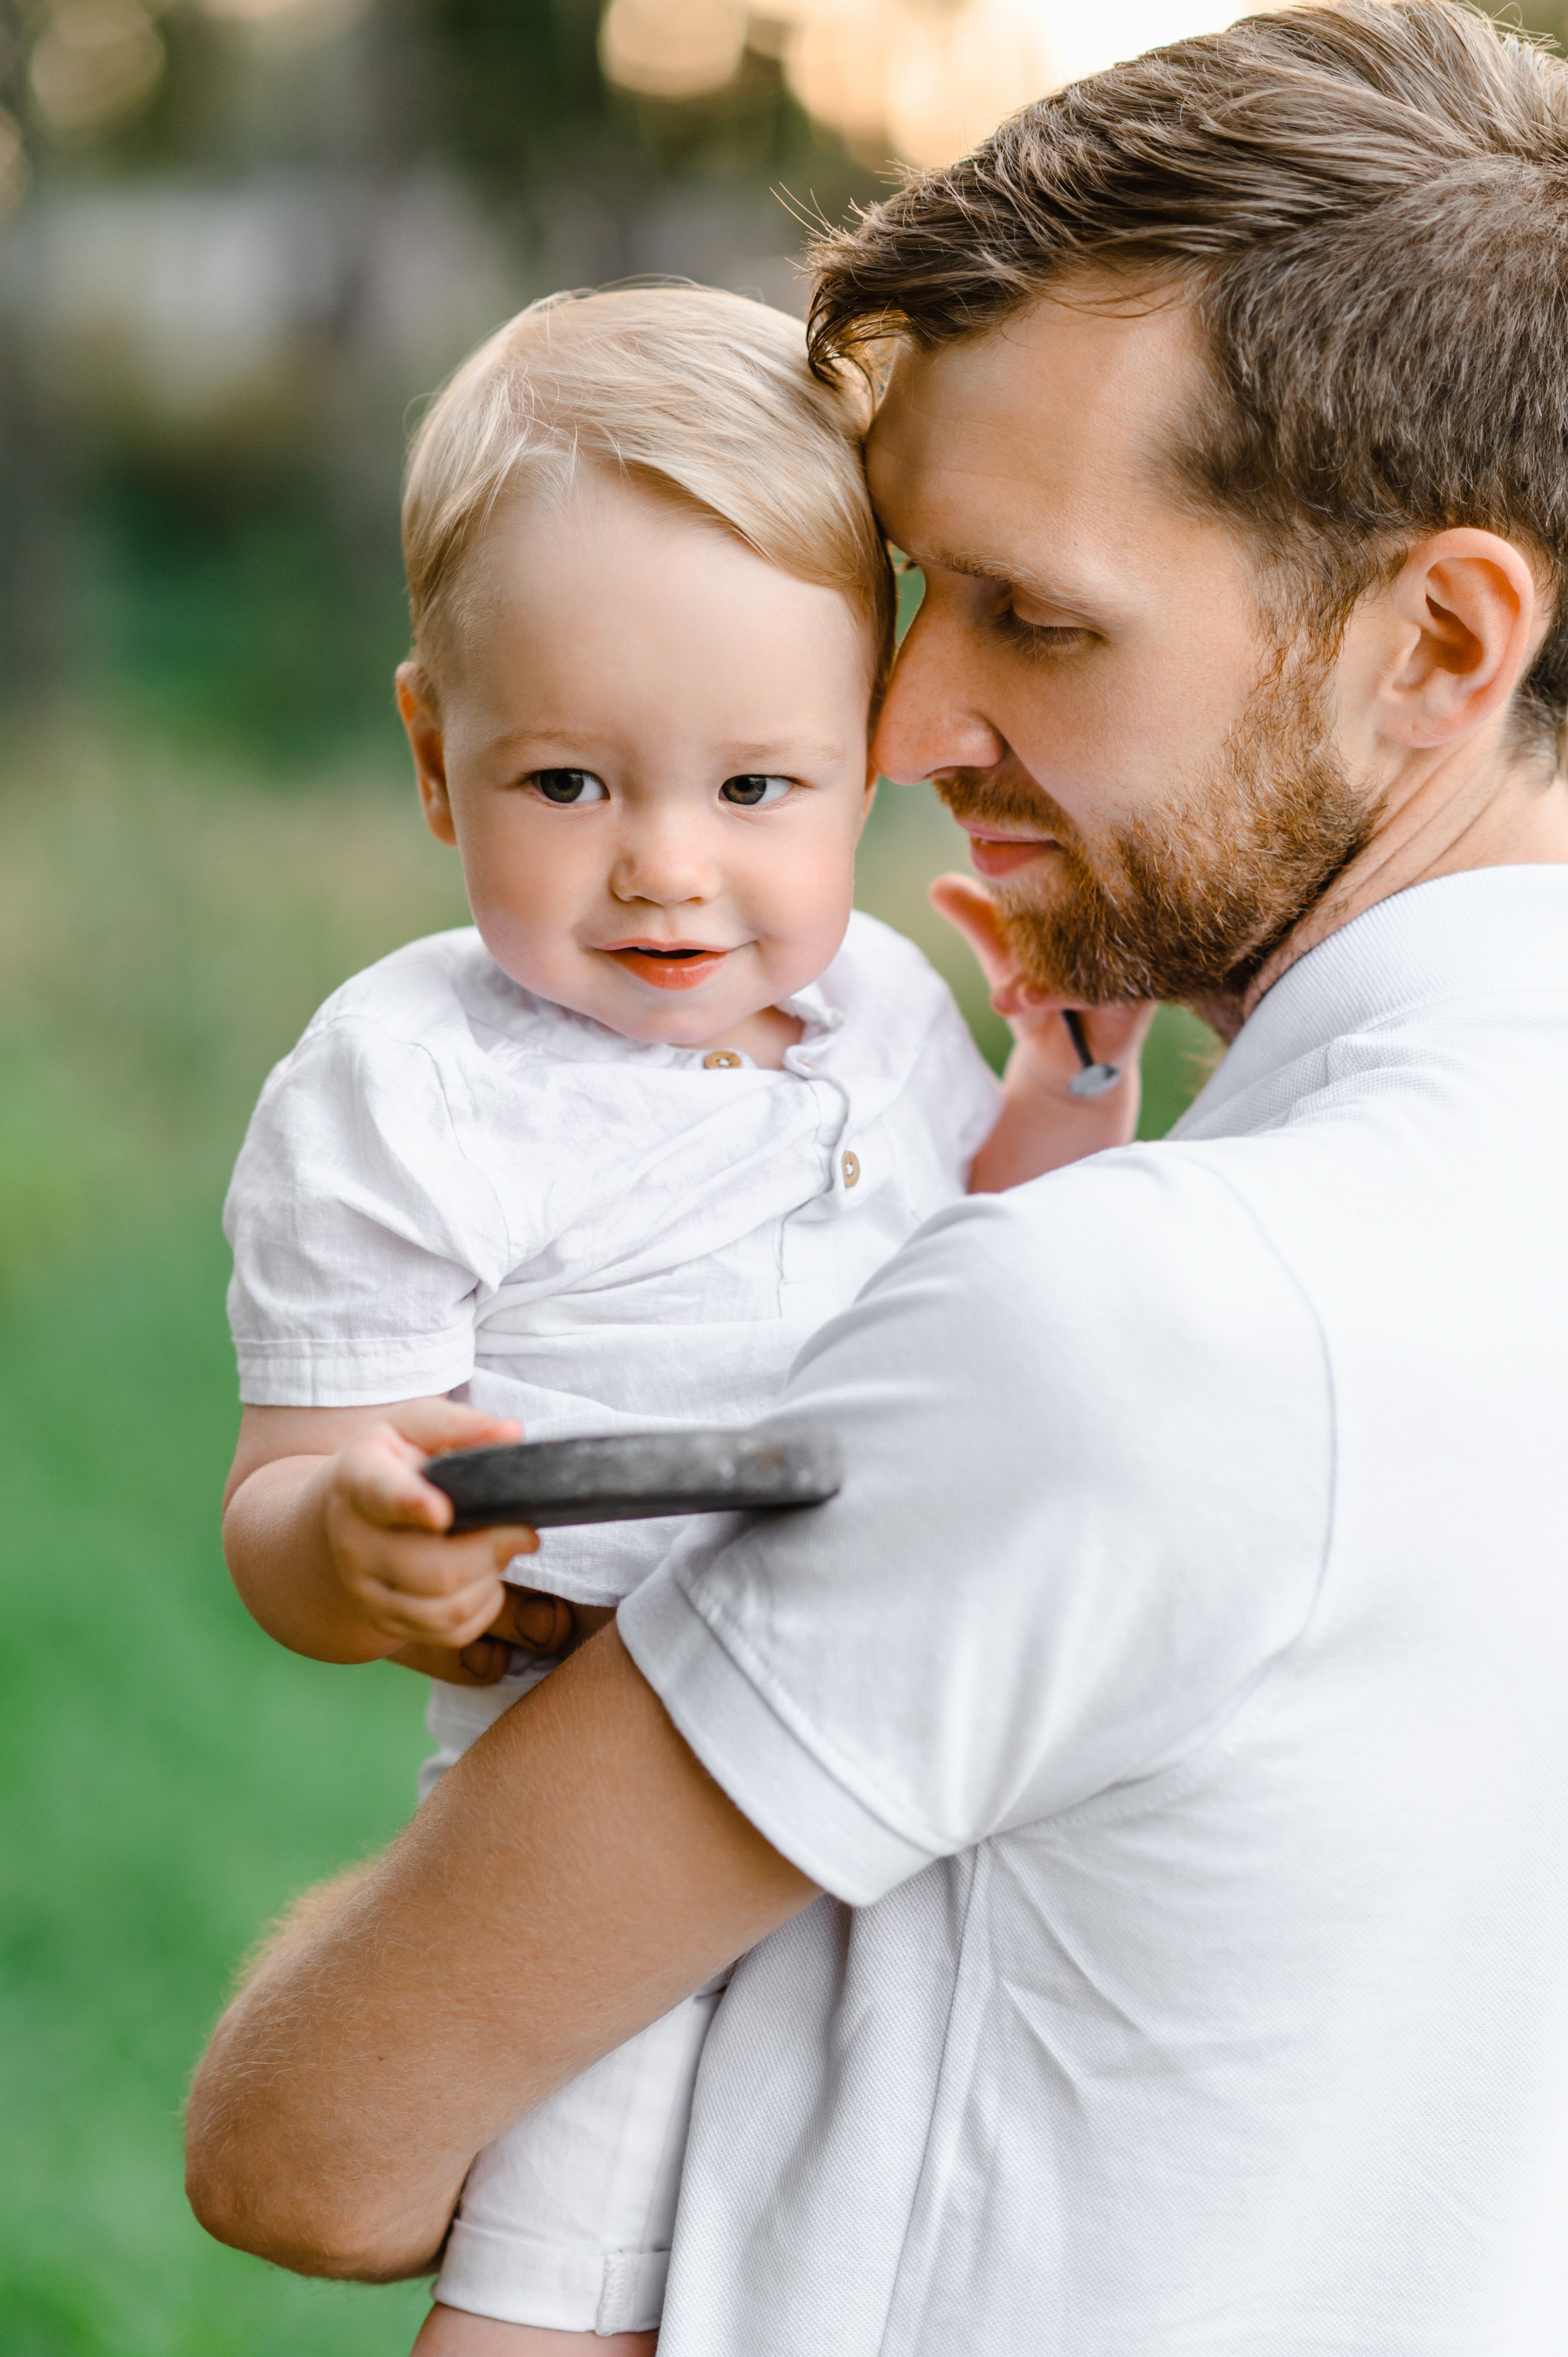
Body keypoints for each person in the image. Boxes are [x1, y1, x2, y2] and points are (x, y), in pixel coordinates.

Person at [187, 4, 1568, 2348]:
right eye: (917, 601)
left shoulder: (1157, 1324)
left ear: (1438, 642)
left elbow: (309, 2149)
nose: (910, 729)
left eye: (1037, 615)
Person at [216, 285, 1142, 2355]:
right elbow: (282, 1499)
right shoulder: (406, 1089)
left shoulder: (892, 1016)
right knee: (572, 2265)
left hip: (917, 1729)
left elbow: (1004, 1284)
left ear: (866, 763)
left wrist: (1065, 1088)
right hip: (603, 1762)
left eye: (755, 788)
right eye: (566, 784)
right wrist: (356, 1545)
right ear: (431, 757)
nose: (664, 870)